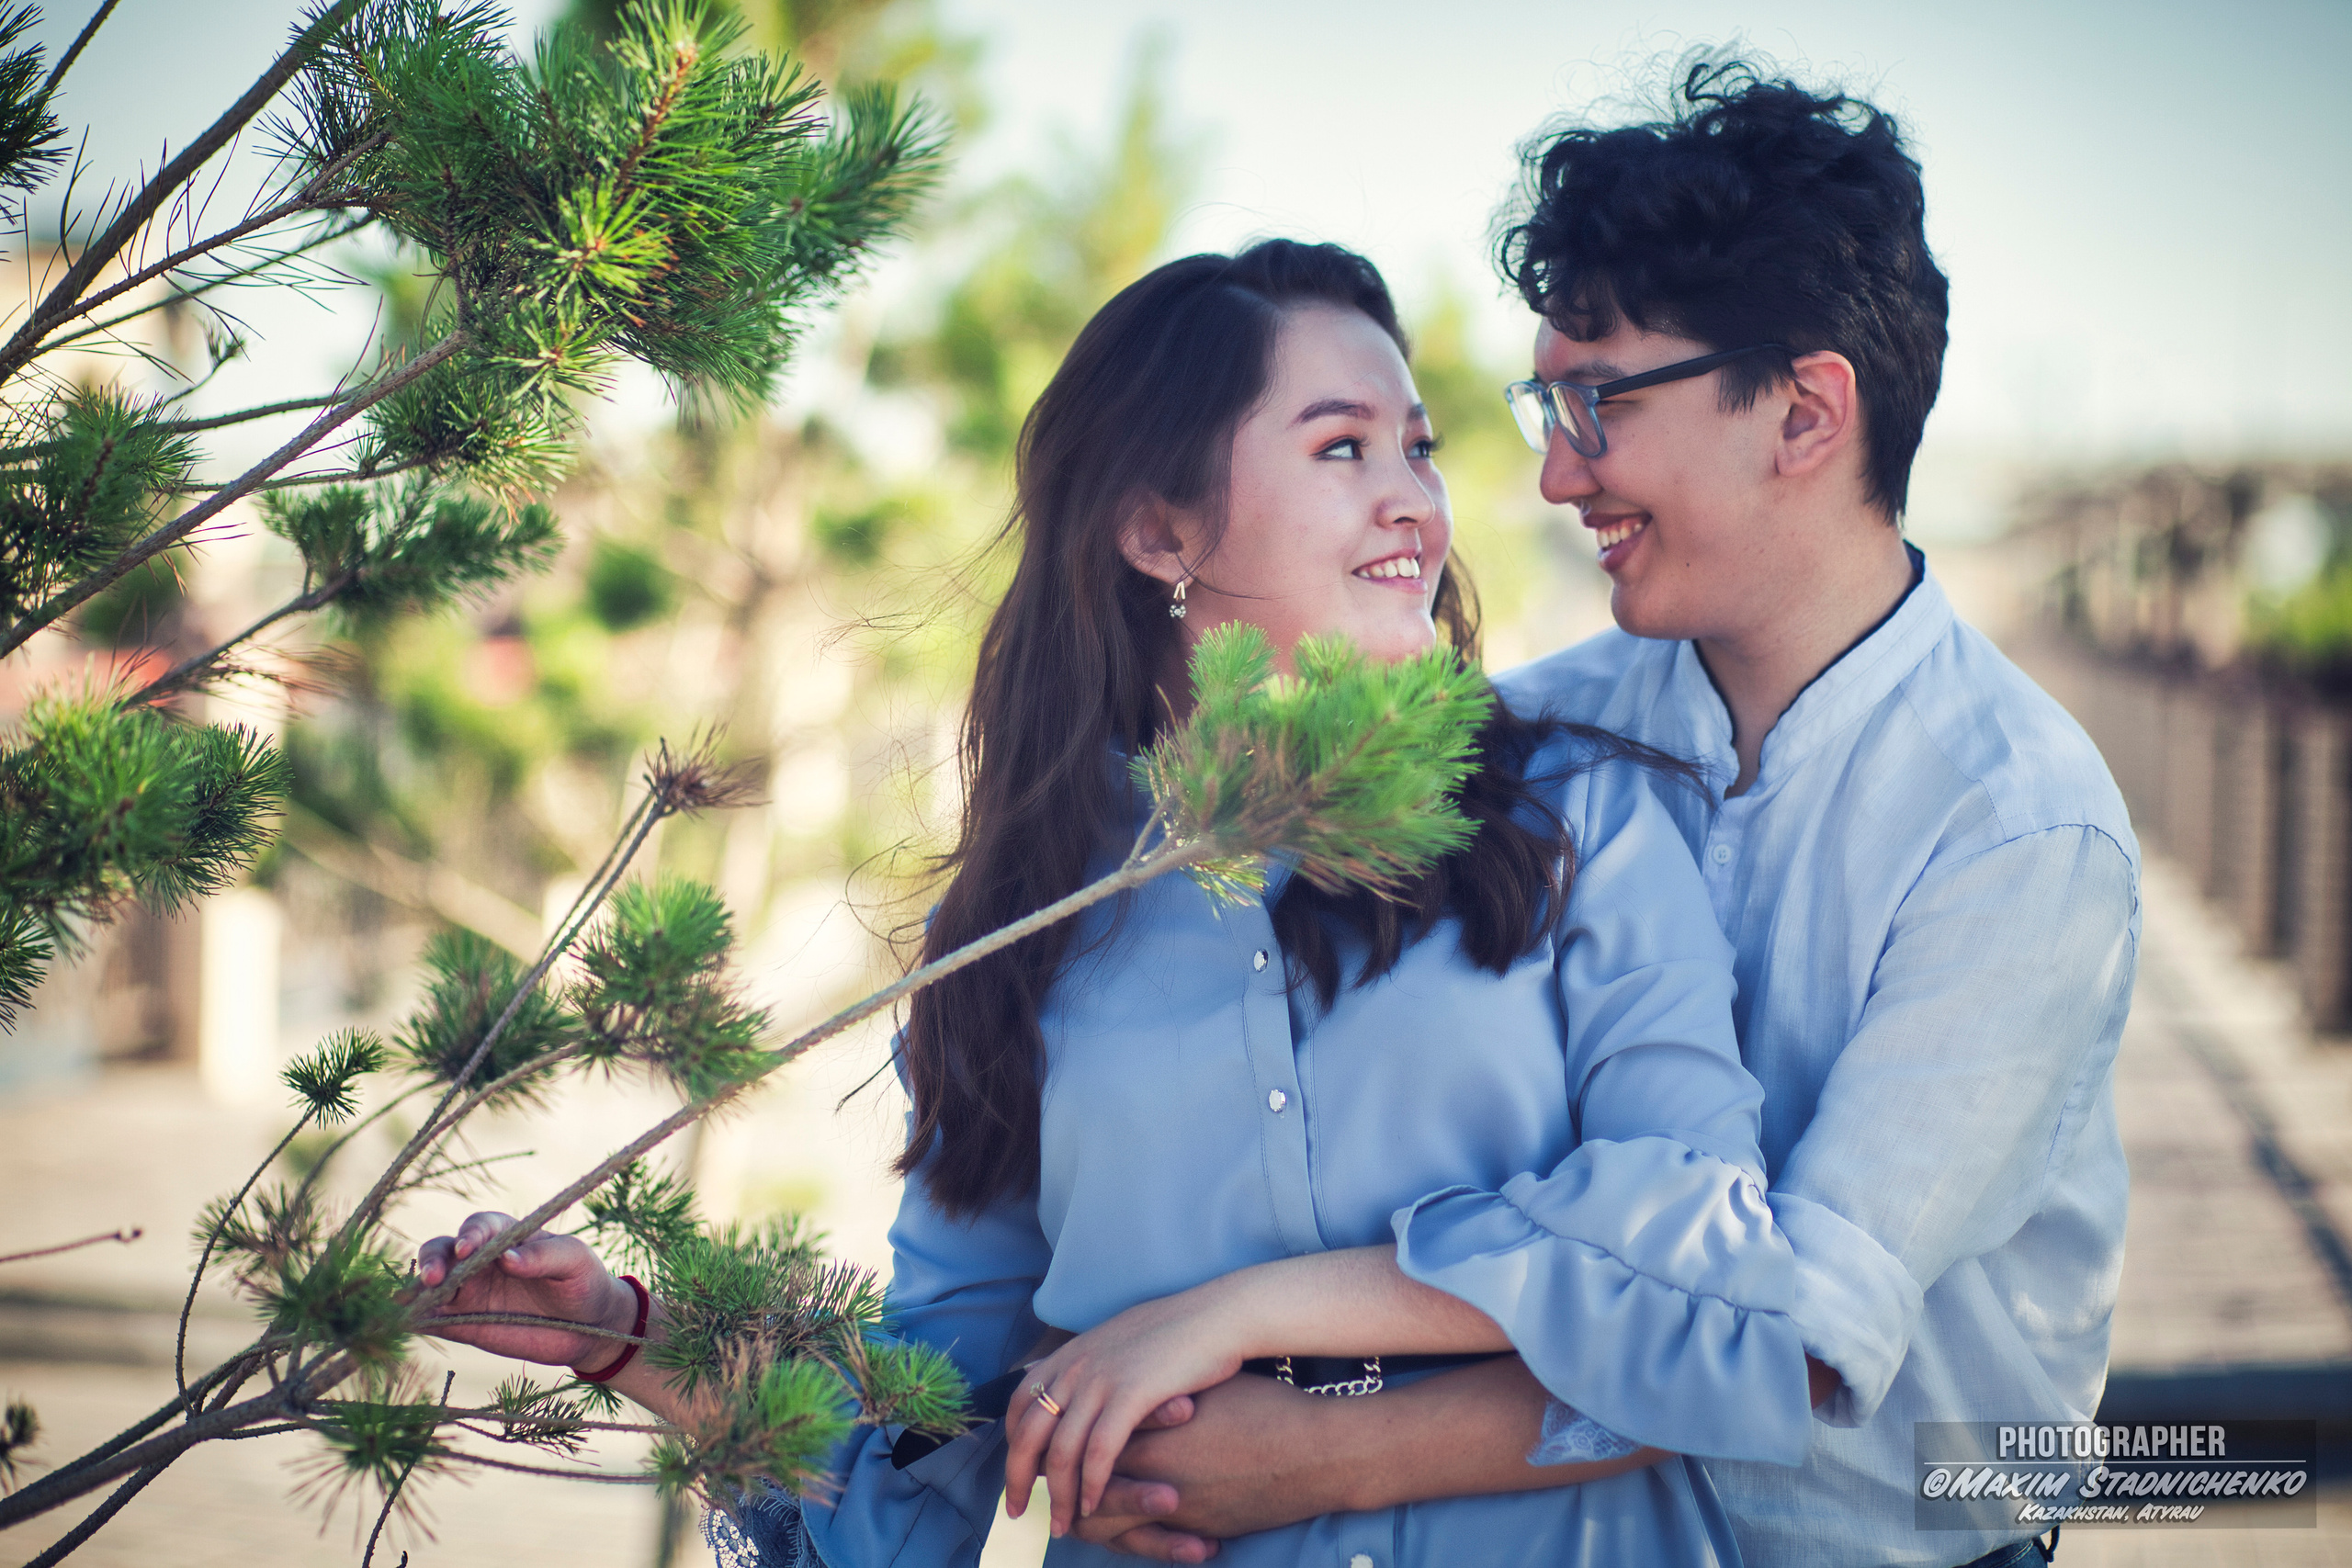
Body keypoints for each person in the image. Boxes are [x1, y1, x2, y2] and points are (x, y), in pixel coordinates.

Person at [416, 239, 1821, 1566]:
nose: (1417, 501)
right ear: (1160, 530)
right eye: (1342, 448)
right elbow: (933, 1440)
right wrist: (619, 1336)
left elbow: (1697, 1251)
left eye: (1419, 448)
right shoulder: (1024, 931)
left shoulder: (1575, 814)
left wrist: (1229, 1321)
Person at [1069, 62, 2141, 1568]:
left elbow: (1794, 1334)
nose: (1557, 470)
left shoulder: (2022, 834)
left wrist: (1312, 1453)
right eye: (1540, 402)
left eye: (1598, 401)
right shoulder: (1535, 741)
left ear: (1805, 414)